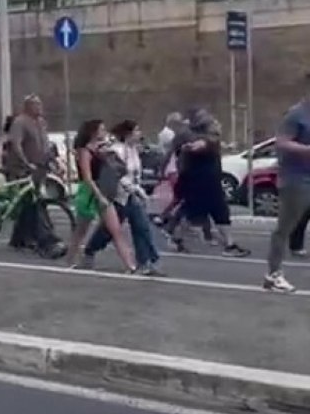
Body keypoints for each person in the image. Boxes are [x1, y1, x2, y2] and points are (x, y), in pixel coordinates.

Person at [80, 120, 164, 276]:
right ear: (128, 134)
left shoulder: (133, 151)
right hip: (118, 195)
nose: (139, 134)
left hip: (131, 195)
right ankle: (90, 250)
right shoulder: (117, 150)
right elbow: (118, 174)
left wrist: (139, 190)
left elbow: (134, 175)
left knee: (141, 227)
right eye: (136, 131)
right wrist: (135, 190)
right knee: (108, 230)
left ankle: (145, 262)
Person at [170, 111, 249, 257]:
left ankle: (229, 244)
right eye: (214, 123)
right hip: (200, 185)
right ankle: (176, 238)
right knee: (194, 214)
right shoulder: (205, 140)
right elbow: (198, 146)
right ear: (207, 126)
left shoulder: (212, 140)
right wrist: (191, 147)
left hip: (211, 184)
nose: (218, 125)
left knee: (220, 213)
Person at [65, 119, 136, 272]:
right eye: (101, 129)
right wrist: (99, 196)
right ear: (93, 132)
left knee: (115, 229)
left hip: (102, 190)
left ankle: (130, 265)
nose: (104, 132)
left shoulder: (101, 149)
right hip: (91, 191)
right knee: (81, 230)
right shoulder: (84, 151)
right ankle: (70, 260)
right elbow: (87, 177)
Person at [3, 95, 64, 258]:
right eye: (36, 105)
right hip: (23, 170)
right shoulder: (20, 122)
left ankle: (19, 239)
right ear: (28, 106)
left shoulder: (41, 123)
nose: (40, 107)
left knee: (28, 205)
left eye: (40, 104)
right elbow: (16, 144)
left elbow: (46, 145)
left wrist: (54, 162)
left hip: (40, 169)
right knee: (35, 203)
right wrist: (25, 162)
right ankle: (47, 239)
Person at [265, 80, 310, 293]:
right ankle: (273, 274)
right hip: (296, 178)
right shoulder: (296, 114)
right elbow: (281, 142)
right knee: (285, 227)